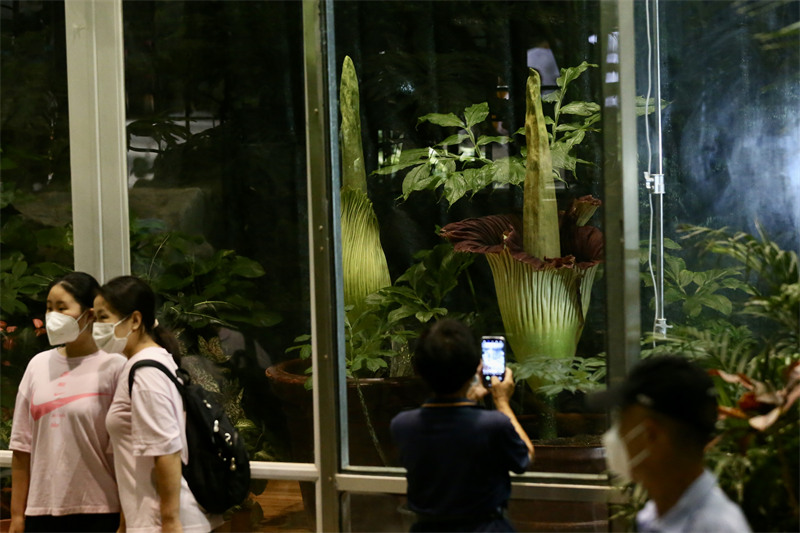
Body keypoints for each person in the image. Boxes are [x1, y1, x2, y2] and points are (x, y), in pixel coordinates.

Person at [95, 275, 223, 533]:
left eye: (103, 317)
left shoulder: (147, 372)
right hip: (148, 520)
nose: (96, 327)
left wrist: (170, 521)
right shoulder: (147, 363)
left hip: (162, 523)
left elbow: (166, 450)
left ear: (135, 320)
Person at [9, 272, 126, 533]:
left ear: (90, 314)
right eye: (49, 308)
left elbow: (124, 450)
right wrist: (17, 516)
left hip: (100, 511)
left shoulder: (115, 366)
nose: (53, 316)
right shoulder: (37, 365)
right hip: (41, 512)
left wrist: (126, 518)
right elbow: (21, 447)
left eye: (62, 308)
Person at [391, 319, 534, 532]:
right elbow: (525, 457)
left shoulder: (402, 425)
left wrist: (468, 399)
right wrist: (501, 401)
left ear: (418, 369)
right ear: (476, 367)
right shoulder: (493, 425)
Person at [592, 355, 752, 532]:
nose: (614, 435)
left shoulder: (716, 527)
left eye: (622, 423)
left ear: (651, 435)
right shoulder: (654, 515)